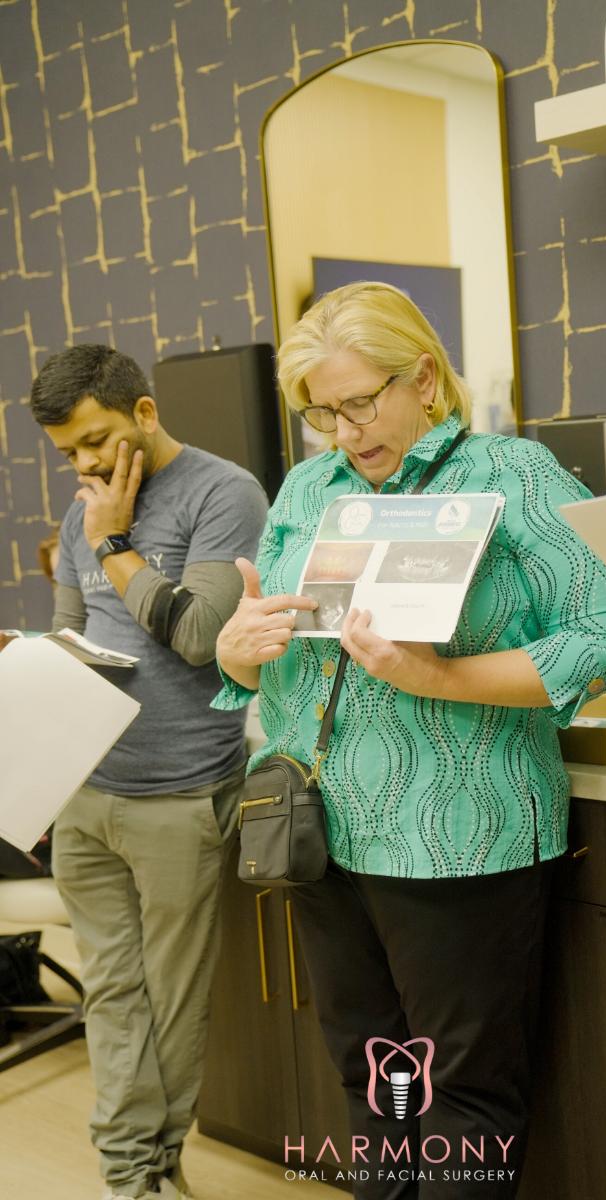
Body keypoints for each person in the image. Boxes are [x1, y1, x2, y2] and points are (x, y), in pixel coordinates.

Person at [214, 281, 606, 1198]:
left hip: (461, 835)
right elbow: (282, 656)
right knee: (373, 1087)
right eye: (323, 413)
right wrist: (237, 651)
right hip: (326, 834)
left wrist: (443, 678)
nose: (346, 431)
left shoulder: (513, 475)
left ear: (425, 377)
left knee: (461, 1100)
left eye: (362, 401)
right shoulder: (308, 487)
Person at [28, 345, 268, 1200]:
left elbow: (203, 635)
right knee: (114, 996)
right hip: (89, 791)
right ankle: (131, 1178)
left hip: (181, 794)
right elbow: (71, 634)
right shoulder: (86, 502)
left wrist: (115, 541)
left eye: (95, 439)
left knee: (171, 1004)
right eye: (68, 453)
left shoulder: (223, 493)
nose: (86, 464)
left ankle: (150, 1169)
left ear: (144, 412)